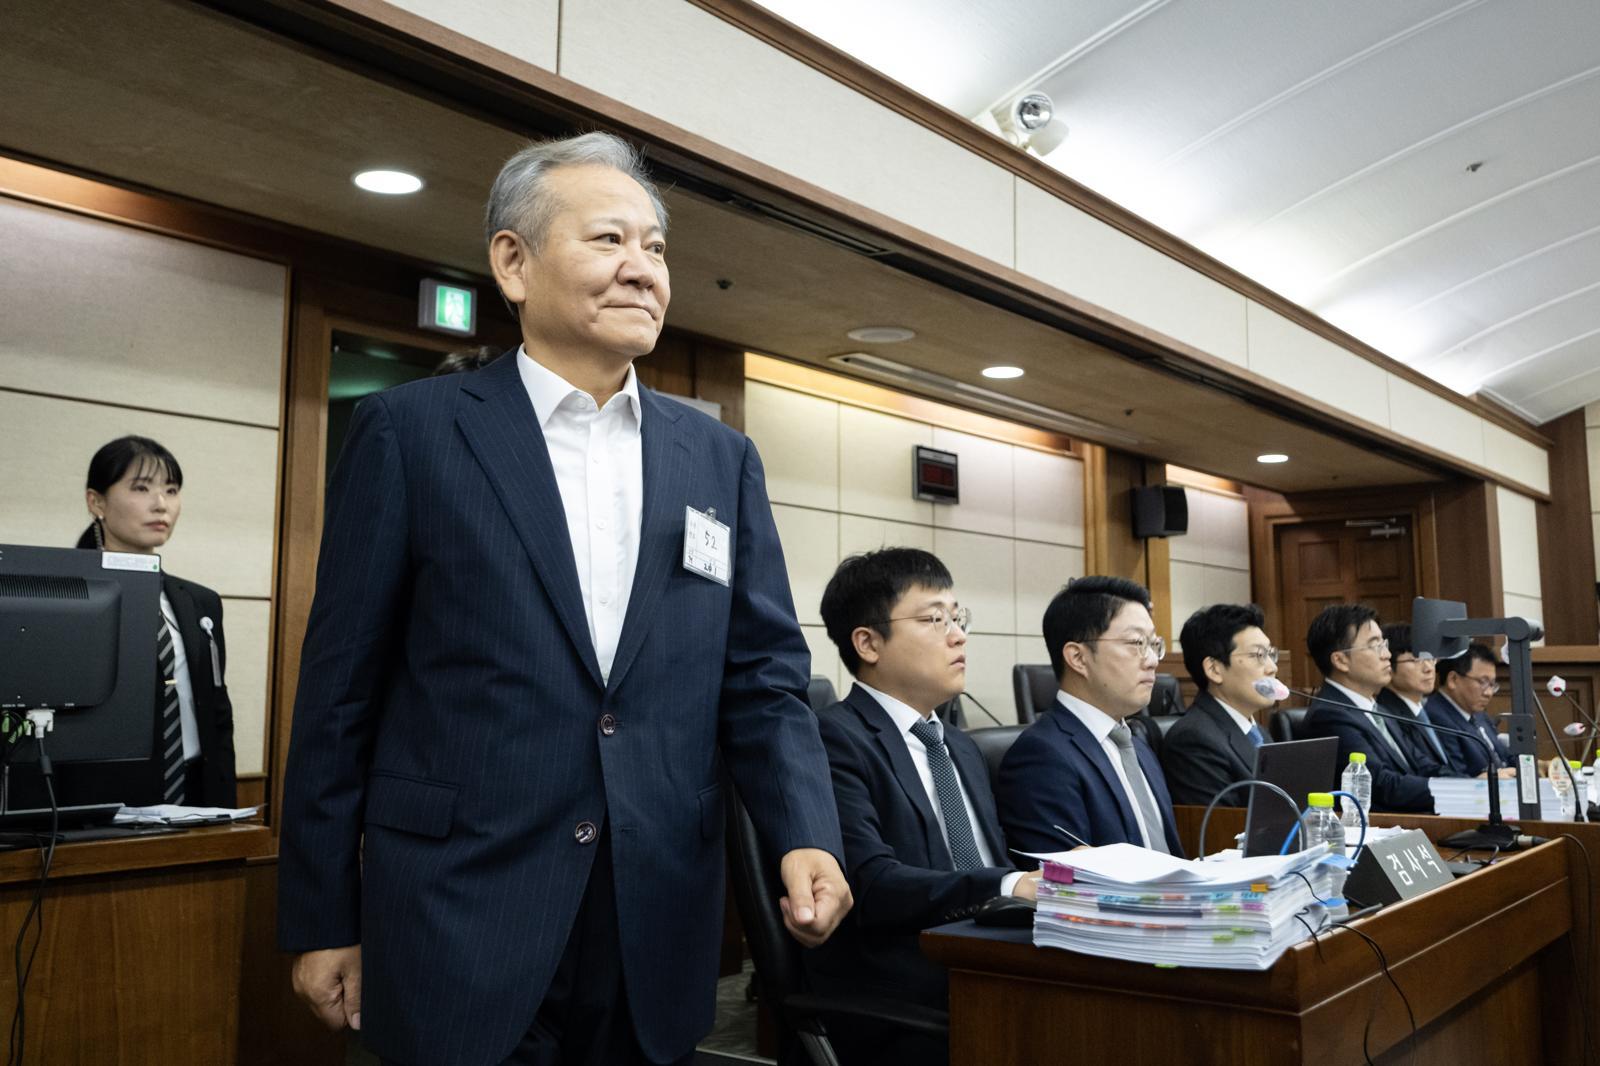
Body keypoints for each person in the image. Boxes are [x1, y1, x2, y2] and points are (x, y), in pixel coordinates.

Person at [276, 132, 850, 1066]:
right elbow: (340, 693)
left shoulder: (717, 457)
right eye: (608, 241)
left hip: (654, 910)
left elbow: (764, 676)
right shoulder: (411, 433)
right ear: (513, 262)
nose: (642, 270)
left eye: (656, 249)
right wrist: (321, 913)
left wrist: (803, 831)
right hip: (459, 909)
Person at [806, 549, 1038, 1066]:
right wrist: (1004, 885)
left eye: (959, 618)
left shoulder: (959, 745)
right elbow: (871, 883)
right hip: (911, 988)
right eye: (935, 619)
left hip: (997, 959)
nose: (958, 635)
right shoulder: (834, 739)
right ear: (867, 642)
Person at [70, 435, 236, 807]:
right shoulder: (69, 596)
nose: (161, 504)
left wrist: (225, 808)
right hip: (102, 798)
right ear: (96, 501)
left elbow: (217, 714)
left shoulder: (200, 602)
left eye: (171, 490)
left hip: (195, 794)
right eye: (141, 488)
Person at [997, 576, 1185, 856]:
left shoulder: (1138, 747)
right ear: (1078, 658)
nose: (1152, 660)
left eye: (1153, 644)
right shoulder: (1041, 757)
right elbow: (1071, 884)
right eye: (1136, 643)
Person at [1300, 605, 1434, 813]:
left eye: (1384, 644)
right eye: (1375, 646)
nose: (1387, 654)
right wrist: (1452, 792)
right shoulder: (1329, 716)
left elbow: (1422, 764)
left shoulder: (1376, 708)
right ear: (1341, 660)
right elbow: (1382, 786)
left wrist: (1476, 785)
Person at [1160, 603, 1279, 806]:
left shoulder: (1259, 733)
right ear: (1214, 669)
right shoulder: (1193, 741)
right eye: (1258, 655)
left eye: (1270, 654)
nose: (1272, 668)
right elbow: (1222, 830)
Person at [1376, 624, 1459, 777]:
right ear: (1388, 665)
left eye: (1430, 658)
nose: (1428, 668)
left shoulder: (1422, 710)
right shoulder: (1387, 714)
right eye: (1415, 660)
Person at [1426, 643, 1514, 778]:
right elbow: (1455, 777)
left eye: (1492, 684)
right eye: (1483, 682)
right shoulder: (1436, 717)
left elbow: (1504, 757)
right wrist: (1492, 778)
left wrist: (1536, 765)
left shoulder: (1479, 715)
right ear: (1453, 679)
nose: (1489, 693)